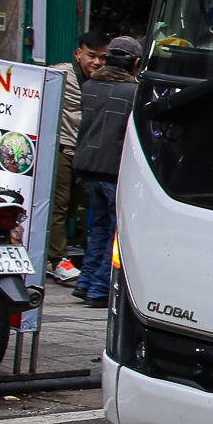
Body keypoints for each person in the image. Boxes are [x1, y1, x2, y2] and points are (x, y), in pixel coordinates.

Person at [70, 35, 144, 308]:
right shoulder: (134, 93)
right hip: (113, 170)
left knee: (98, 226)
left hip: (88, 166)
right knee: (114, 229)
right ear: (135, 63)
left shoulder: (89, 86)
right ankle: (100, 288)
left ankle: (85, 281)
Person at [46, 31, 110, 282]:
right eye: (91, 56)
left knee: (75, 205)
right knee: (59, 205)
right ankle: (57, 259)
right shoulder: (60, 74)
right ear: (78, 54)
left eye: (102, 57)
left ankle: (57, 255)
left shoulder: (105, 80)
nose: (96, 62)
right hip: (63, 148)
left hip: (86, 154)